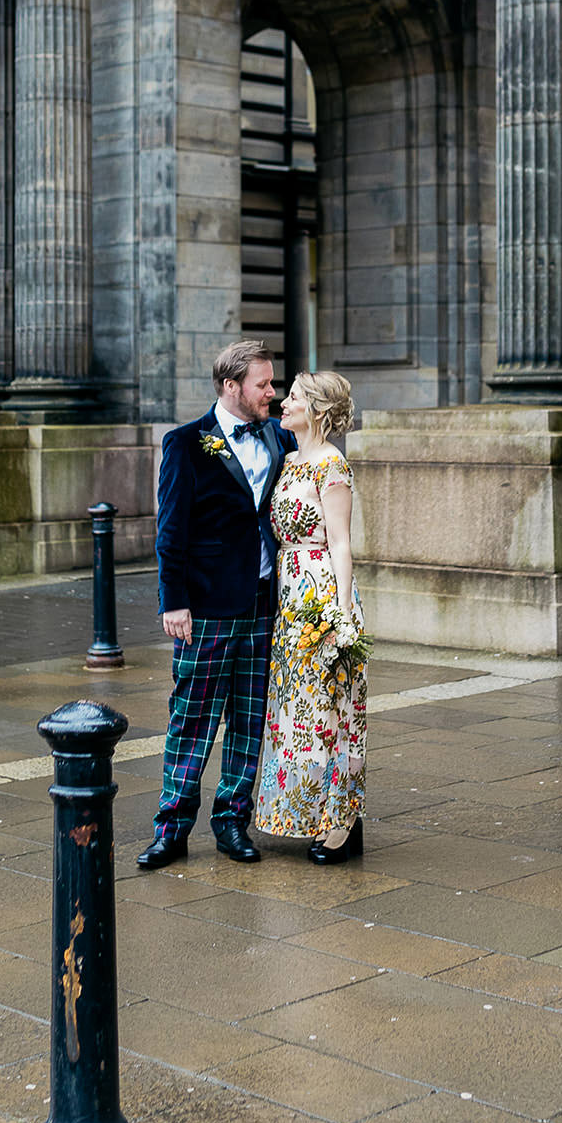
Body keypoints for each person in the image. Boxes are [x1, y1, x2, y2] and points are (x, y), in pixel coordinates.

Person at [138, 339, 297, 869]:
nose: (272, 393)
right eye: (263, 384)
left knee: (250, 719)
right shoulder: (186, 443)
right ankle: (172, 827)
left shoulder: (280, 438)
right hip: (203, 607)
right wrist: (173, 601)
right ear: (231, 386)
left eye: (272, 384)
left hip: (262, 604)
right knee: (192, 717)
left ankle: (232, 820)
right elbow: (170, 529)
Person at [254, 370, 367, 865]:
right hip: (290, 598)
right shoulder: (290, 460)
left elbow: (341, 542)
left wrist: (343, 615)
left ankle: (342, 823)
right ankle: (302, 812)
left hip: (322, 594)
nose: (283, 401)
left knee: (330, 713)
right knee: (297, 715)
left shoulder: (331, 464)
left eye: (294, 397)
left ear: (316, 410)